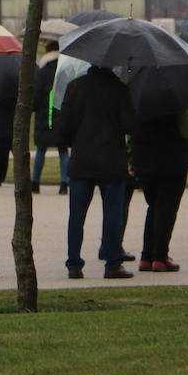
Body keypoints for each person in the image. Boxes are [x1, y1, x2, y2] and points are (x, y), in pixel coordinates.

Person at [57, 65, 136, 279]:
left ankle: (74, 263)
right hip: (112, 159)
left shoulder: (75, 87)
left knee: (77, 216)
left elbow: (63, 126)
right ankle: (112, 263)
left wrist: (76, 139)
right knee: (112, 215)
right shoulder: (120, 89)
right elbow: (129, 125)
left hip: (82, 159)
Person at [131, 108, 188, 272]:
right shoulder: (178, 100)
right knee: (167, 207)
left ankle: (147, 256)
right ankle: (160, 256)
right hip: (173, 158)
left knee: (153, 206)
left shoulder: (139, 97)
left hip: (143, 157)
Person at [32, 42, 69, 194]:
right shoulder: (65, 72)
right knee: (63, 151)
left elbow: (36, 95)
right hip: (62, 117)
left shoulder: (41, 73)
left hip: (43, 117)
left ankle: (35, 182)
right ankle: (64, 184)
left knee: (41, 150)